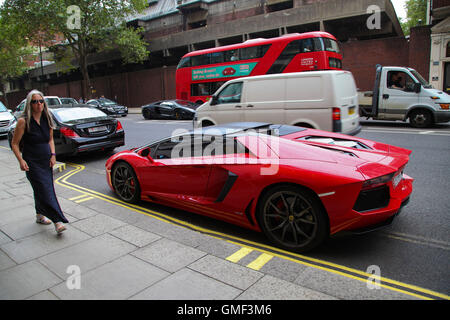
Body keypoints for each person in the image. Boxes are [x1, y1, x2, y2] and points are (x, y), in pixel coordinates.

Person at [11, 89, 68, 234]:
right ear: (29, 104)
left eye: (41, 101)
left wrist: (53, 154)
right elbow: (15, 144)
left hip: (46, 161)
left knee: (42, 189)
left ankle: (39, 216)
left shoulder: (46, 118)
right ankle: (57, 221)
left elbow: (50, 139)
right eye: (35, 101)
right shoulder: (23, 121)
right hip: (32, 162)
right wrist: (20, 160)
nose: (38, 104)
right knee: (45, 190)